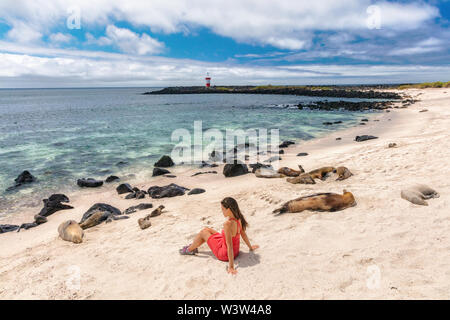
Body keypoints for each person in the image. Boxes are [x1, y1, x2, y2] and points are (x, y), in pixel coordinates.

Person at [179, 197, 259, 274]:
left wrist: (231, 266)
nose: (222, 212)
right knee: (208, 229)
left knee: (203, 232)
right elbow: (243, 234)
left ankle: (189, 249)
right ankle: (193, 246)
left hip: (224, 254)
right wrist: (250, 247)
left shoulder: (227, 224)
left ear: (229, 209)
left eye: (223, 209)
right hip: (235, 251)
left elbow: (229, 245)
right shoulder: (239, 219)